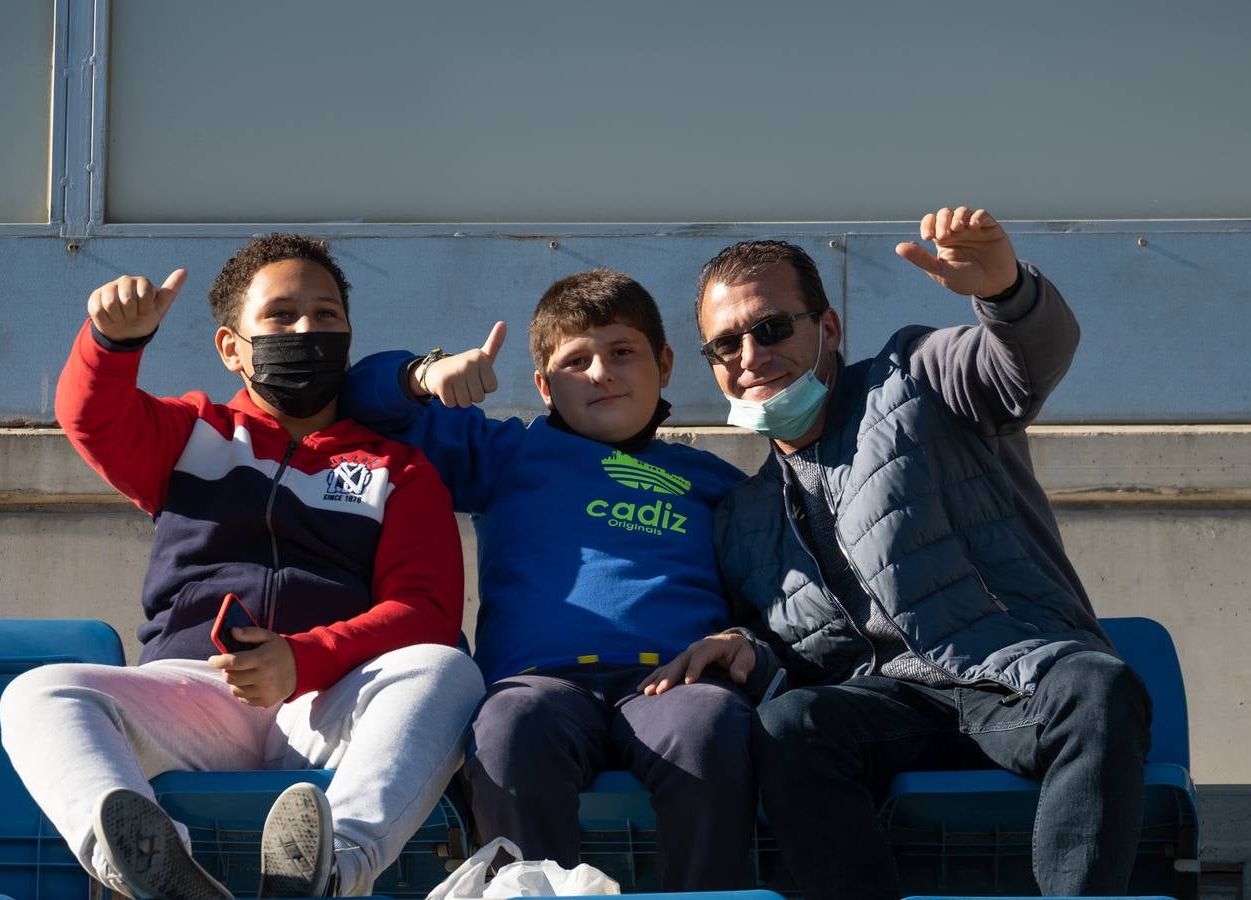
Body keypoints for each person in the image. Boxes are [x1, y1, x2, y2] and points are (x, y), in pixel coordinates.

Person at [642, 207, 1152, 899]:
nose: (750, 357)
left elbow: (1021, 364)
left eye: (771, 328)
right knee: (792, 726)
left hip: (1014, 675)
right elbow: (794, 658)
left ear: (827, 328)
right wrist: (745, 647)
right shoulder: (741, 515)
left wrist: (1006, 293)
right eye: (725, 345)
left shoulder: (916, 375)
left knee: (1097, 686)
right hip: (890, 707)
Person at [0, 234, 485, 899]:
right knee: (39, 693)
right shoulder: (192, 431)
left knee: (447, 669)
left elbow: (424, 613)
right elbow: (92, 418)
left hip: (326, 703)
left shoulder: (399, 469)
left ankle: (330, 869)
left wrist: (302, 659)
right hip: (195, 693)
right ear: (232, 347)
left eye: (326, 315)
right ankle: (151, 870)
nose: (307, 329)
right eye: (281, 316)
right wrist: (111, 344)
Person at [339, 269, 772, 890]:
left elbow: (767, 597)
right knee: (508, 732)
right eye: (577, 360)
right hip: (537, 684)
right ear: (543, 385)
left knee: (711, 726)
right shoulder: (505, 453)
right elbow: (359, 407)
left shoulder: (716, 481)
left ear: (666, 363)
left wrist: (740, 639)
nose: (602, 372)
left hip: (672, 684)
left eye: (623, 352)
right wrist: (423, 375)